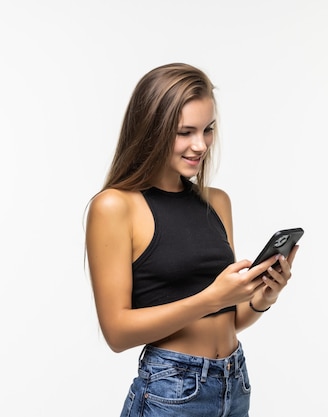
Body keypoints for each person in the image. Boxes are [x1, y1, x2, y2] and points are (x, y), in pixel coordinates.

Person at [85, 63, 299, 417]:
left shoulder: (217, 201)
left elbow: (229, 319)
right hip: (172, 388)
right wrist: (209, 298)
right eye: (185, 132)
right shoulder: (115, 206)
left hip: (234, 381)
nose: (200, 145)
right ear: (151, 130)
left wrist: (263, 297)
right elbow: (116, 333)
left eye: (208, 130)